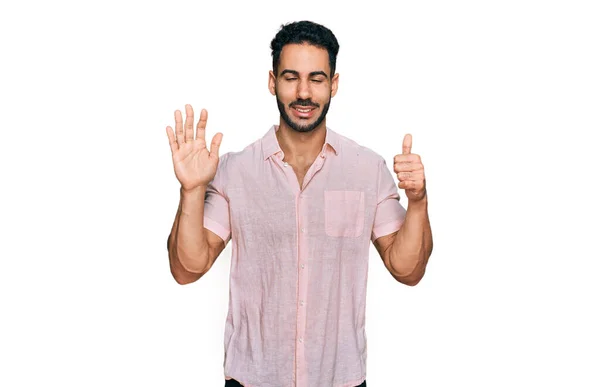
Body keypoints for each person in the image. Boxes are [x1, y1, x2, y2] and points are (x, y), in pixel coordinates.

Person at [165, 20, 433, 387]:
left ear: (333, 85)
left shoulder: (367, 169)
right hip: (252, 380)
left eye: (317, 78)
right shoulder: (235, 171)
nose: (303, 92)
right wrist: (192, 190)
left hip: (340, 380)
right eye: (291, 77)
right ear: (272, 82)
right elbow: (187, 268)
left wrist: (417, 200)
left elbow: (408, 270)